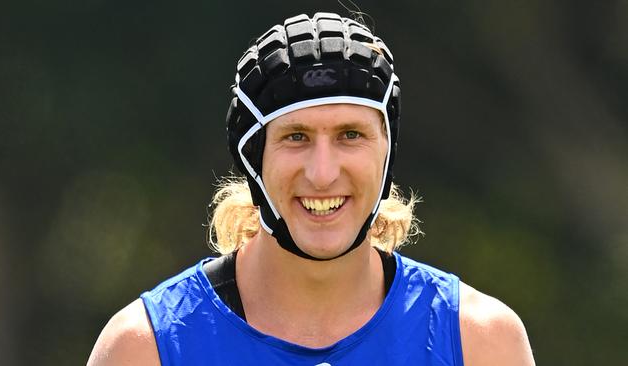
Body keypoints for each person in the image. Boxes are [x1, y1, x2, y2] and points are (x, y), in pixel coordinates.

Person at [87, 12, 535, 365]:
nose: (322, 173)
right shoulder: (146, 348)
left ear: (387, 152)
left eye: (350, 136)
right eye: (296, 137)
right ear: (253, 157)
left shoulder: (481, 342)